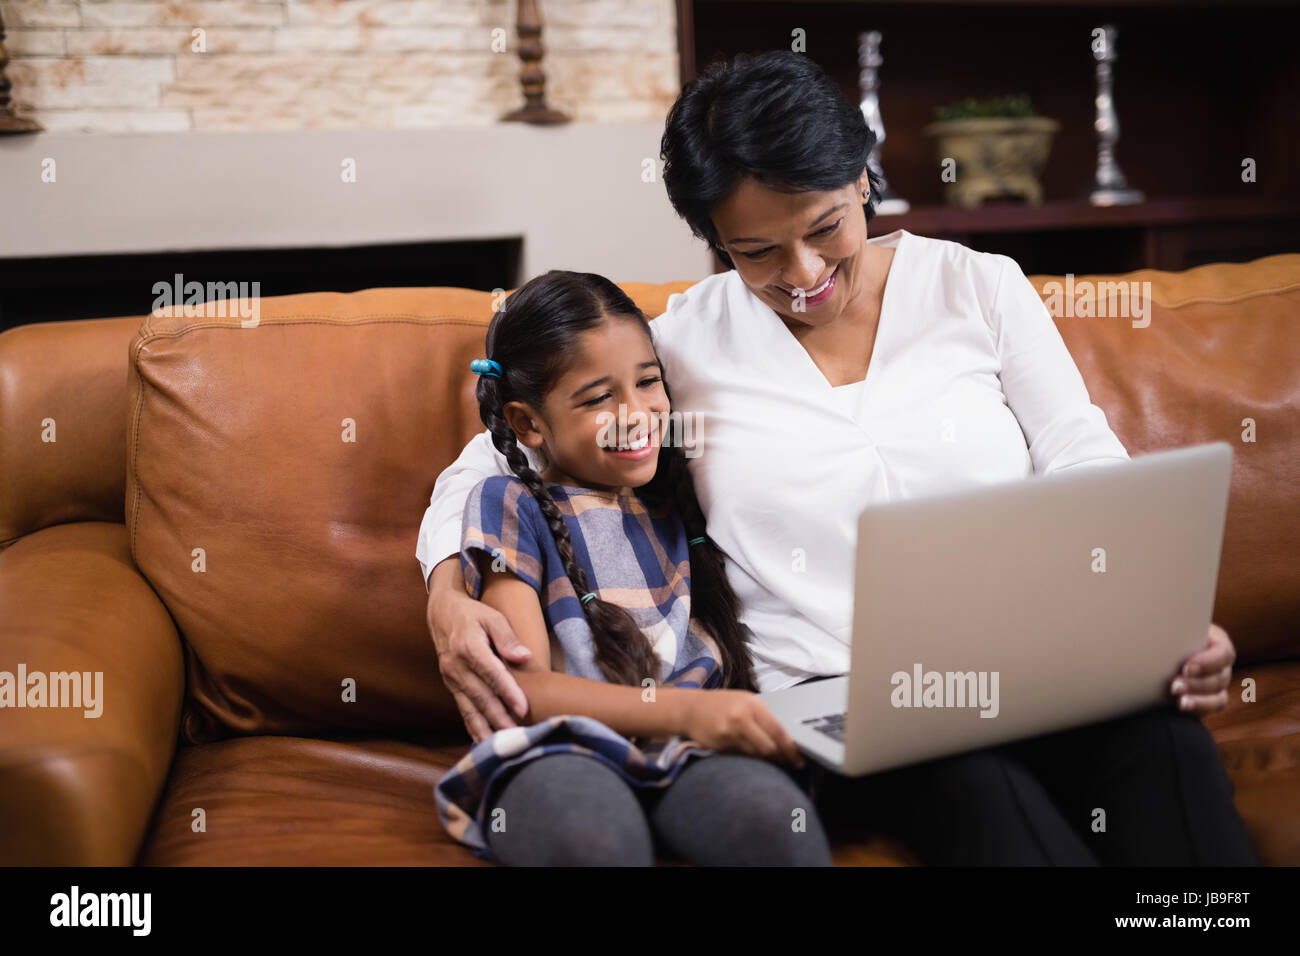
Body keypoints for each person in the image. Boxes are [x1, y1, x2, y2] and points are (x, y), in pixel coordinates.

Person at [418, 50, 1258, 865]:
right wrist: (448, 592)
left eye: (825, 228)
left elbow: (1081, 458)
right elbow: (498, 457)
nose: (805, 274)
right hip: (834, 707)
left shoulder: (978, 287)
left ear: (863, 176)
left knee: (1166, 751)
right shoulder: (683, 346)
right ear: (713, 239)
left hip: (1037, 665)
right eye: (756, 254)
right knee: (981, 791)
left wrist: (1154, 623)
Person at [432, 269, 834, 866]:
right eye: (597, 398)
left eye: (648, 382)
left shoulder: (679, 491)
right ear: (526, 422)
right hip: (562, 749)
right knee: (592, 842)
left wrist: (694, 723)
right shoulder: (509, 505)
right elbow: (525, 690)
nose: (635, 413)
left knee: (778, 827)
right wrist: (689, 711)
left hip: (686, 753)